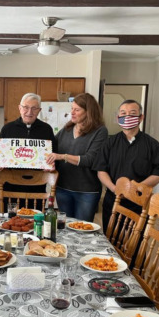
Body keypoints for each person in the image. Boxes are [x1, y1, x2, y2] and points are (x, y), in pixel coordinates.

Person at [93, 99, 159, 221]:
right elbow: (101, 171)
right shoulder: (109, 143)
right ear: (118, 118)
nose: (127, 117)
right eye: (123, 113)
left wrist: (135, 189)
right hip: (113, 199)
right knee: (109, 238)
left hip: (139, 201)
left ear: (141, 117)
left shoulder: (152, 144)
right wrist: (114, 188)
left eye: (132, 114)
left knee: (136, 238)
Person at [45, 93, 108, 222]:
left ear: (88, 112)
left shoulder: (100, 131)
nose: (72, 113)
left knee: (82, 230)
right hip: (63, 188)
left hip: (87, 191)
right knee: (66, 228)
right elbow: (51, 148)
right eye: (71, 109)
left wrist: (62, 156)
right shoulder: (67, 129)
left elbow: (90, 159)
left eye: (77, 110)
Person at [0, 93, 57, 209]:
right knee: (11, 221)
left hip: (37, 187)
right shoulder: (7, 129)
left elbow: (55, 156)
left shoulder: (46, 130)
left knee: (35, 221)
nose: (29, 112)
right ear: (19, 108)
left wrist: (53, 165)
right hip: (11, 187)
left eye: (34, 108)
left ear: (39, 110)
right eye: (26, 107)